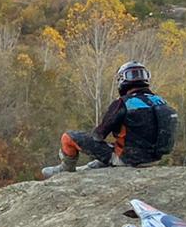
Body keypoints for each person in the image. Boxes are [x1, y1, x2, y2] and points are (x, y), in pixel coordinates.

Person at [43, 61, 177, 175]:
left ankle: (66, 169)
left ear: (122, 80)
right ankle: (98, 164)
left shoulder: (123, 103)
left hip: (128, 160)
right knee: (123, 145)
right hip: (153, 159)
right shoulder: (161, 102)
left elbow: (98, 135)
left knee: (68, 137)